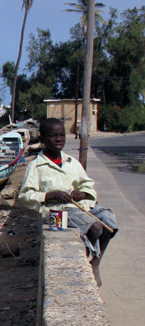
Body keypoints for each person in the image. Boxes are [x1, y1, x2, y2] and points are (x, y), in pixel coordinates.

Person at [18, 118, 118, 284]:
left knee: (110, 221)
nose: (59, 139)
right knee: (95, 227)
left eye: (62, 135)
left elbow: (87, 184)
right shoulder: (36, 166)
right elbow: (25, 196)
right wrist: (50, 195)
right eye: (53, 136)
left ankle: (96, 261)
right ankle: (86, 259)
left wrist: (83, 193)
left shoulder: (71, 162)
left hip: (78, 206)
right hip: (55, 212)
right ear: (42, 140)